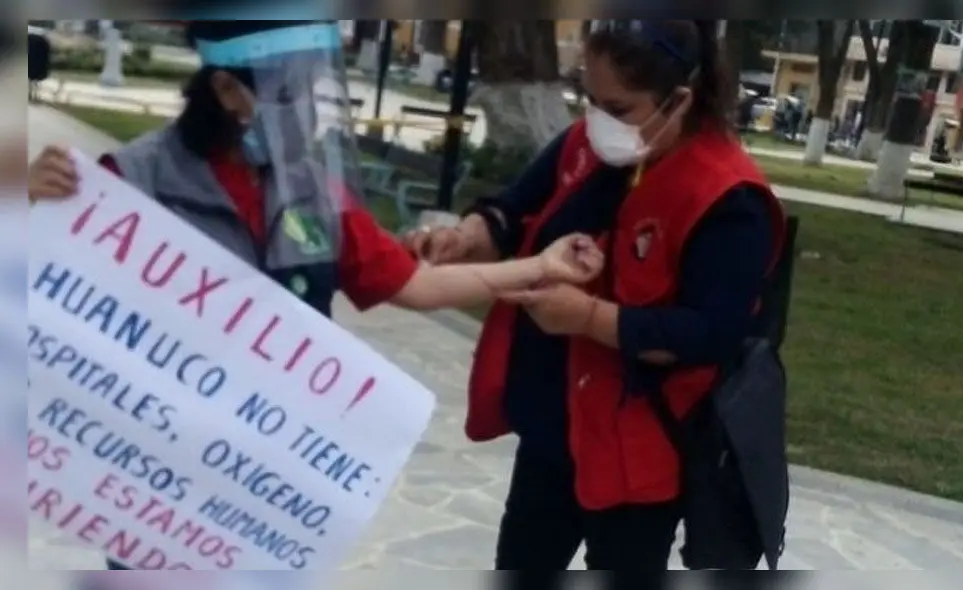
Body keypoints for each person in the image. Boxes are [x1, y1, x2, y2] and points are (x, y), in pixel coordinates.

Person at [28, 20, 604, 571]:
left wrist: (538, 266)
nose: (306, 106)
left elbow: (418, 284)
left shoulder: (312, 190)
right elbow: (42, 306)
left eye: (312, 86)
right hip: (159, 472)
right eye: (288, 90)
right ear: (226, 89)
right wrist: (28, 204)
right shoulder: (131, 178)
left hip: (264, 470)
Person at [404, 20, 787, 576]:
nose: (599, 121)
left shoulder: (728, 197)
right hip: (552, 427)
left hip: (639, 452)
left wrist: (587, 317)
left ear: (680, 99)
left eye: (619, 107)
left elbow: (708, 335)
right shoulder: (584, 145)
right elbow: (513, 211)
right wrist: (464, 237)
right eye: (589, 99)